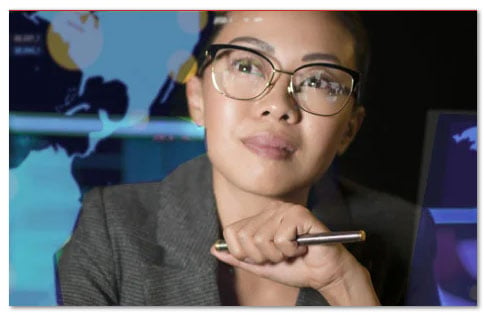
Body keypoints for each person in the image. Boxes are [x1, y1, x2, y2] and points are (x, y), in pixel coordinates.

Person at [57, 11, 422, 306]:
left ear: (349, 130)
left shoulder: (412, 237)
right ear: (197, 99)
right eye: (247, 67)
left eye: (319, 81)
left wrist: (346, 287)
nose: (278, 106)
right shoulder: (112, 226)